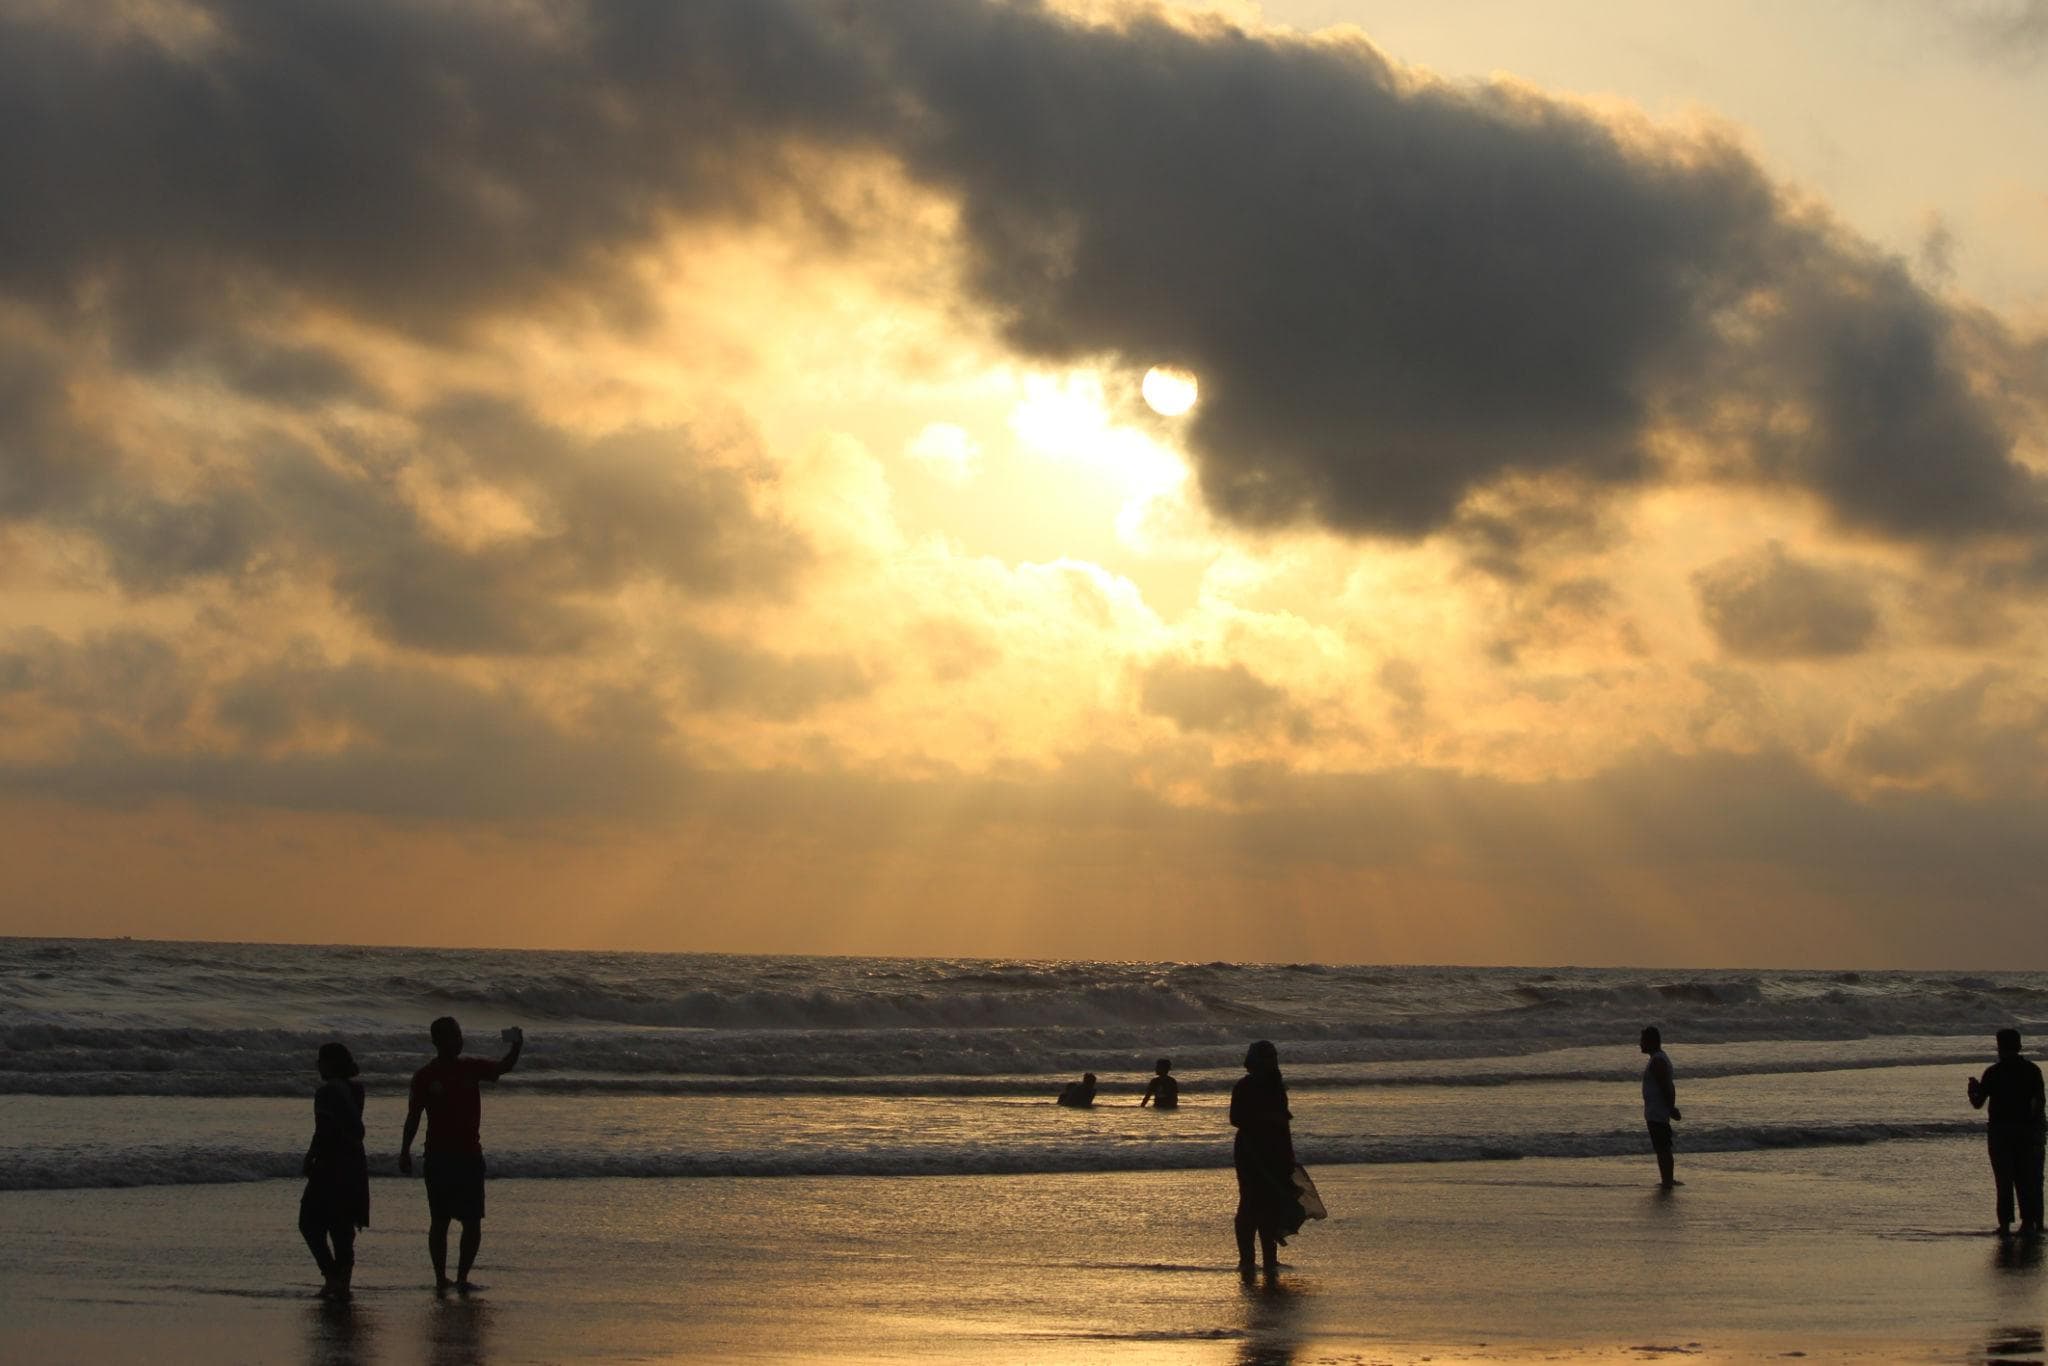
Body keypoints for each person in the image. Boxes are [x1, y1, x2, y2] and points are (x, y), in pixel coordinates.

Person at [399, 1017, 523, 1292]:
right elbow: (413, 1117)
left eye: (459, 1035)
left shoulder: (470, 1067)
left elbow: (502, 1068)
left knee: (472, 1220)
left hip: (469, 1154)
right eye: (452, 1036)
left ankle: (463, 1277)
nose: (458, 1040)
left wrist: (517, 1047)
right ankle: (440, 1277)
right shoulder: (424, 1076)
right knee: (440, 1220)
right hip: (438, 1156)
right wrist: (405, 1150)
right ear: (437, 1042)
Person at [300, 1042, 370, 1300]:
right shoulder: (356, 1091)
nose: (318, 1065)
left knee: (309, 1221)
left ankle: (332, 1276)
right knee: (342, 1226)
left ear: (330, 1064)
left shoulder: (326, 1093)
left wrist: (311, 1156)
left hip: (331, 1163)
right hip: (353, 1163)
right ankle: (342, 1282)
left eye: (321, 1060)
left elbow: (324, 1131)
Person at [1230, 1039, 1306, 1275]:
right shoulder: (1244, 1086)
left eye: (1272, 1057)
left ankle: (1270, 1261)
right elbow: (1236, 1119)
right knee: (1250, 1202)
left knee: (1272, 1204)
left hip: (1276, 1150)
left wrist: (1289, 1155)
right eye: (1265, 1057)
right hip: (1251, 1150)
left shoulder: (1277, 1087)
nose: (1270, 1062)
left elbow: (1284, 1125)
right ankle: (1246, 1260)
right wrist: (1266, 1119)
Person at [1968, 1028, 2046, 1237]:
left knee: (2004, 1180)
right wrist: (2037, 1129)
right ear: (2019, 1046)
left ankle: (2004, 1225)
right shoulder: (2032, 1070)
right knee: (2027, 1179)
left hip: (2000, 1132)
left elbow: (1977, 1103)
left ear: (1999, 1047)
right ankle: (2030, 1223)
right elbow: (2038, 1103)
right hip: (2026, 1131)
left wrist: (1973, 1090)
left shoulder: (1993, 1072)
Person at [1641, 1026, 1681, 1189]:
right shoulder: (1658, 1058)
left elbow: (1666, 1086)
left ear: (1651, 1041)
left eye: (1642, 1040)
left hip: (1658, 1112)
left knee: (1662, 1147)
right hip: (1656, 1111)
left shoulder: (1658, 1060)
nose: (1640, 1044)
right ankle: (1668, 1179)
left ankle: (1668, 1180)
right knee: (1662, 1147)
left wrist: (1671, 1108)